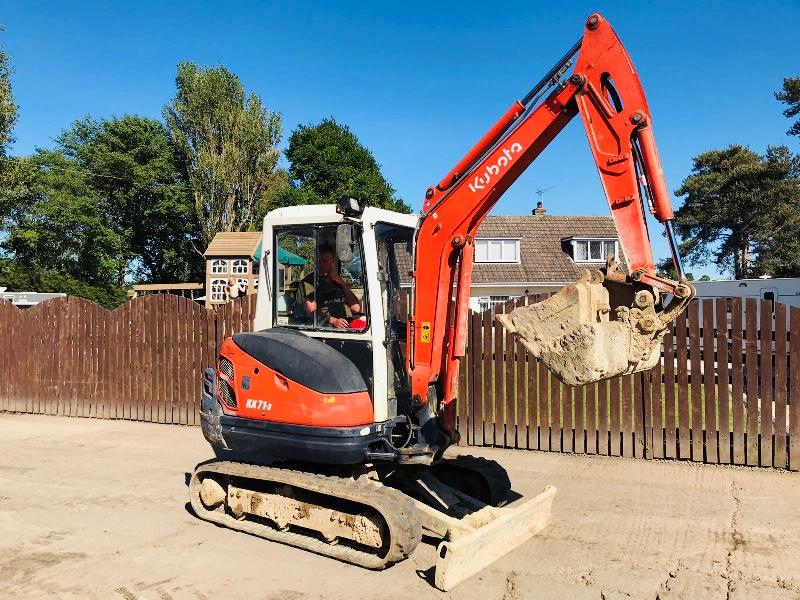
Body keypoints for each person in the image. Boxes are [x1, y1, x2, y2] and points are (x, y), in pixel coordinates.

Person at [301, 246, 361, 328]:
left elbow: (356, 308)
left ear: (333, 263)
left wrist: (343, 284)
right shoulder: (310, 281)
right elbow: (312, 311)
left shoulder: (338, 281)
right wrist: (333, 321)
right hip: (325, 328)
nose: (320, 264)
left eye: (324, 261)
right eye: (318, 261)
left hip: (345, 324)